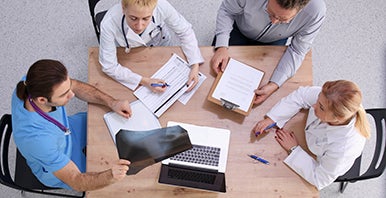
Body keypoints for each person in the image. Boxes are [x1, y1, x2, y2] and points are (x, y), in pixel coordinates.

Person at [12, 59, 132, 191]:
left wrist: (112, 102)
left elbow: (75, 86)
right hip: (60, 159)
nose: (72, 94)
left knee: (105, 119)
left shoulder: (30, 84)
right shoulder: (38, 140)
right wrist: (110, 175)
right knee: (119, 182)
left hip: (65, 131)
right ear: (42, 100)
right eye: (64, 94)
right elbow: (76, 181)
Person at [253, 80, 370, 190]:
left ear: (338, 118)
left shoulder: (343, 148)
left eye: (321, 107)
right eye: (318, 99)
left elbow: (320, 179)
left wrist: (293, 150)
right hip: (307, 137)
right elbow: (301, 95)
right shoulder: (331, 97)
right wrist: (273, 118)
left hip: (324, 163)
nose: (314, 106)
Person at [211, 0, 326, 105]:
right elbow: (227, 11)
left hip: (275, 40)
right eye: (269, 12)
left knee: (264, 82)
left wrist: (275, 84)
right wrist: (221, 46)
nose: (273, 21)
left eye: (283, 20)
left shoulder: (316, 12)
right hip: (239, 29)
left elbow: (297, 50)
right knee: (214, 77)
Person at [99, 0, 204, 93]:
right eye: (133, 18)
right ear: (123, 7)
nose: (139, 26)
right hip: (130, 54)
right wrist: (145, 81)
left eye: (146, 18)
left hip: (160, 45)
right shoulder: (109, 23)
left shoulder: (162, 5)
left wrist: (195, 65)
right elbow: (109, 66)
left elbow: (185, 31)